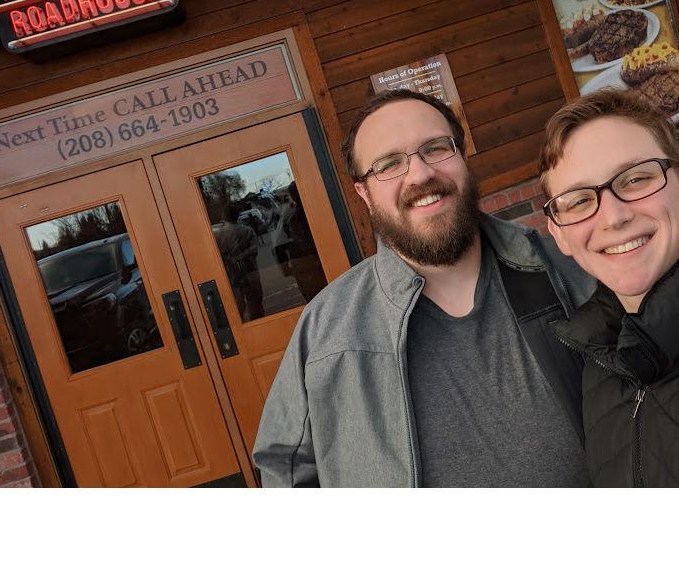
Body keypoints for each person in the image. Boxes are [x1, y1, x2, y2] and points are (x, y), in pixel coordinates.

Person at [253, 88, 596, 487]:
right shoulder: (326, 329)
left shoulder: (565, 267)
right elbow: (284, 471)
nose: (420, 174)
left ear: (461, 156)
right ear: (364, 193)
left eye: (435, 148)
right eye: (389, 164)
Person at [539, 88, 679, 487]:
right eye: (578, 201)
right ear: (559, 235)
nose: (613, 217)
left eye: (635, 179)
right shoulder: (598, 366)